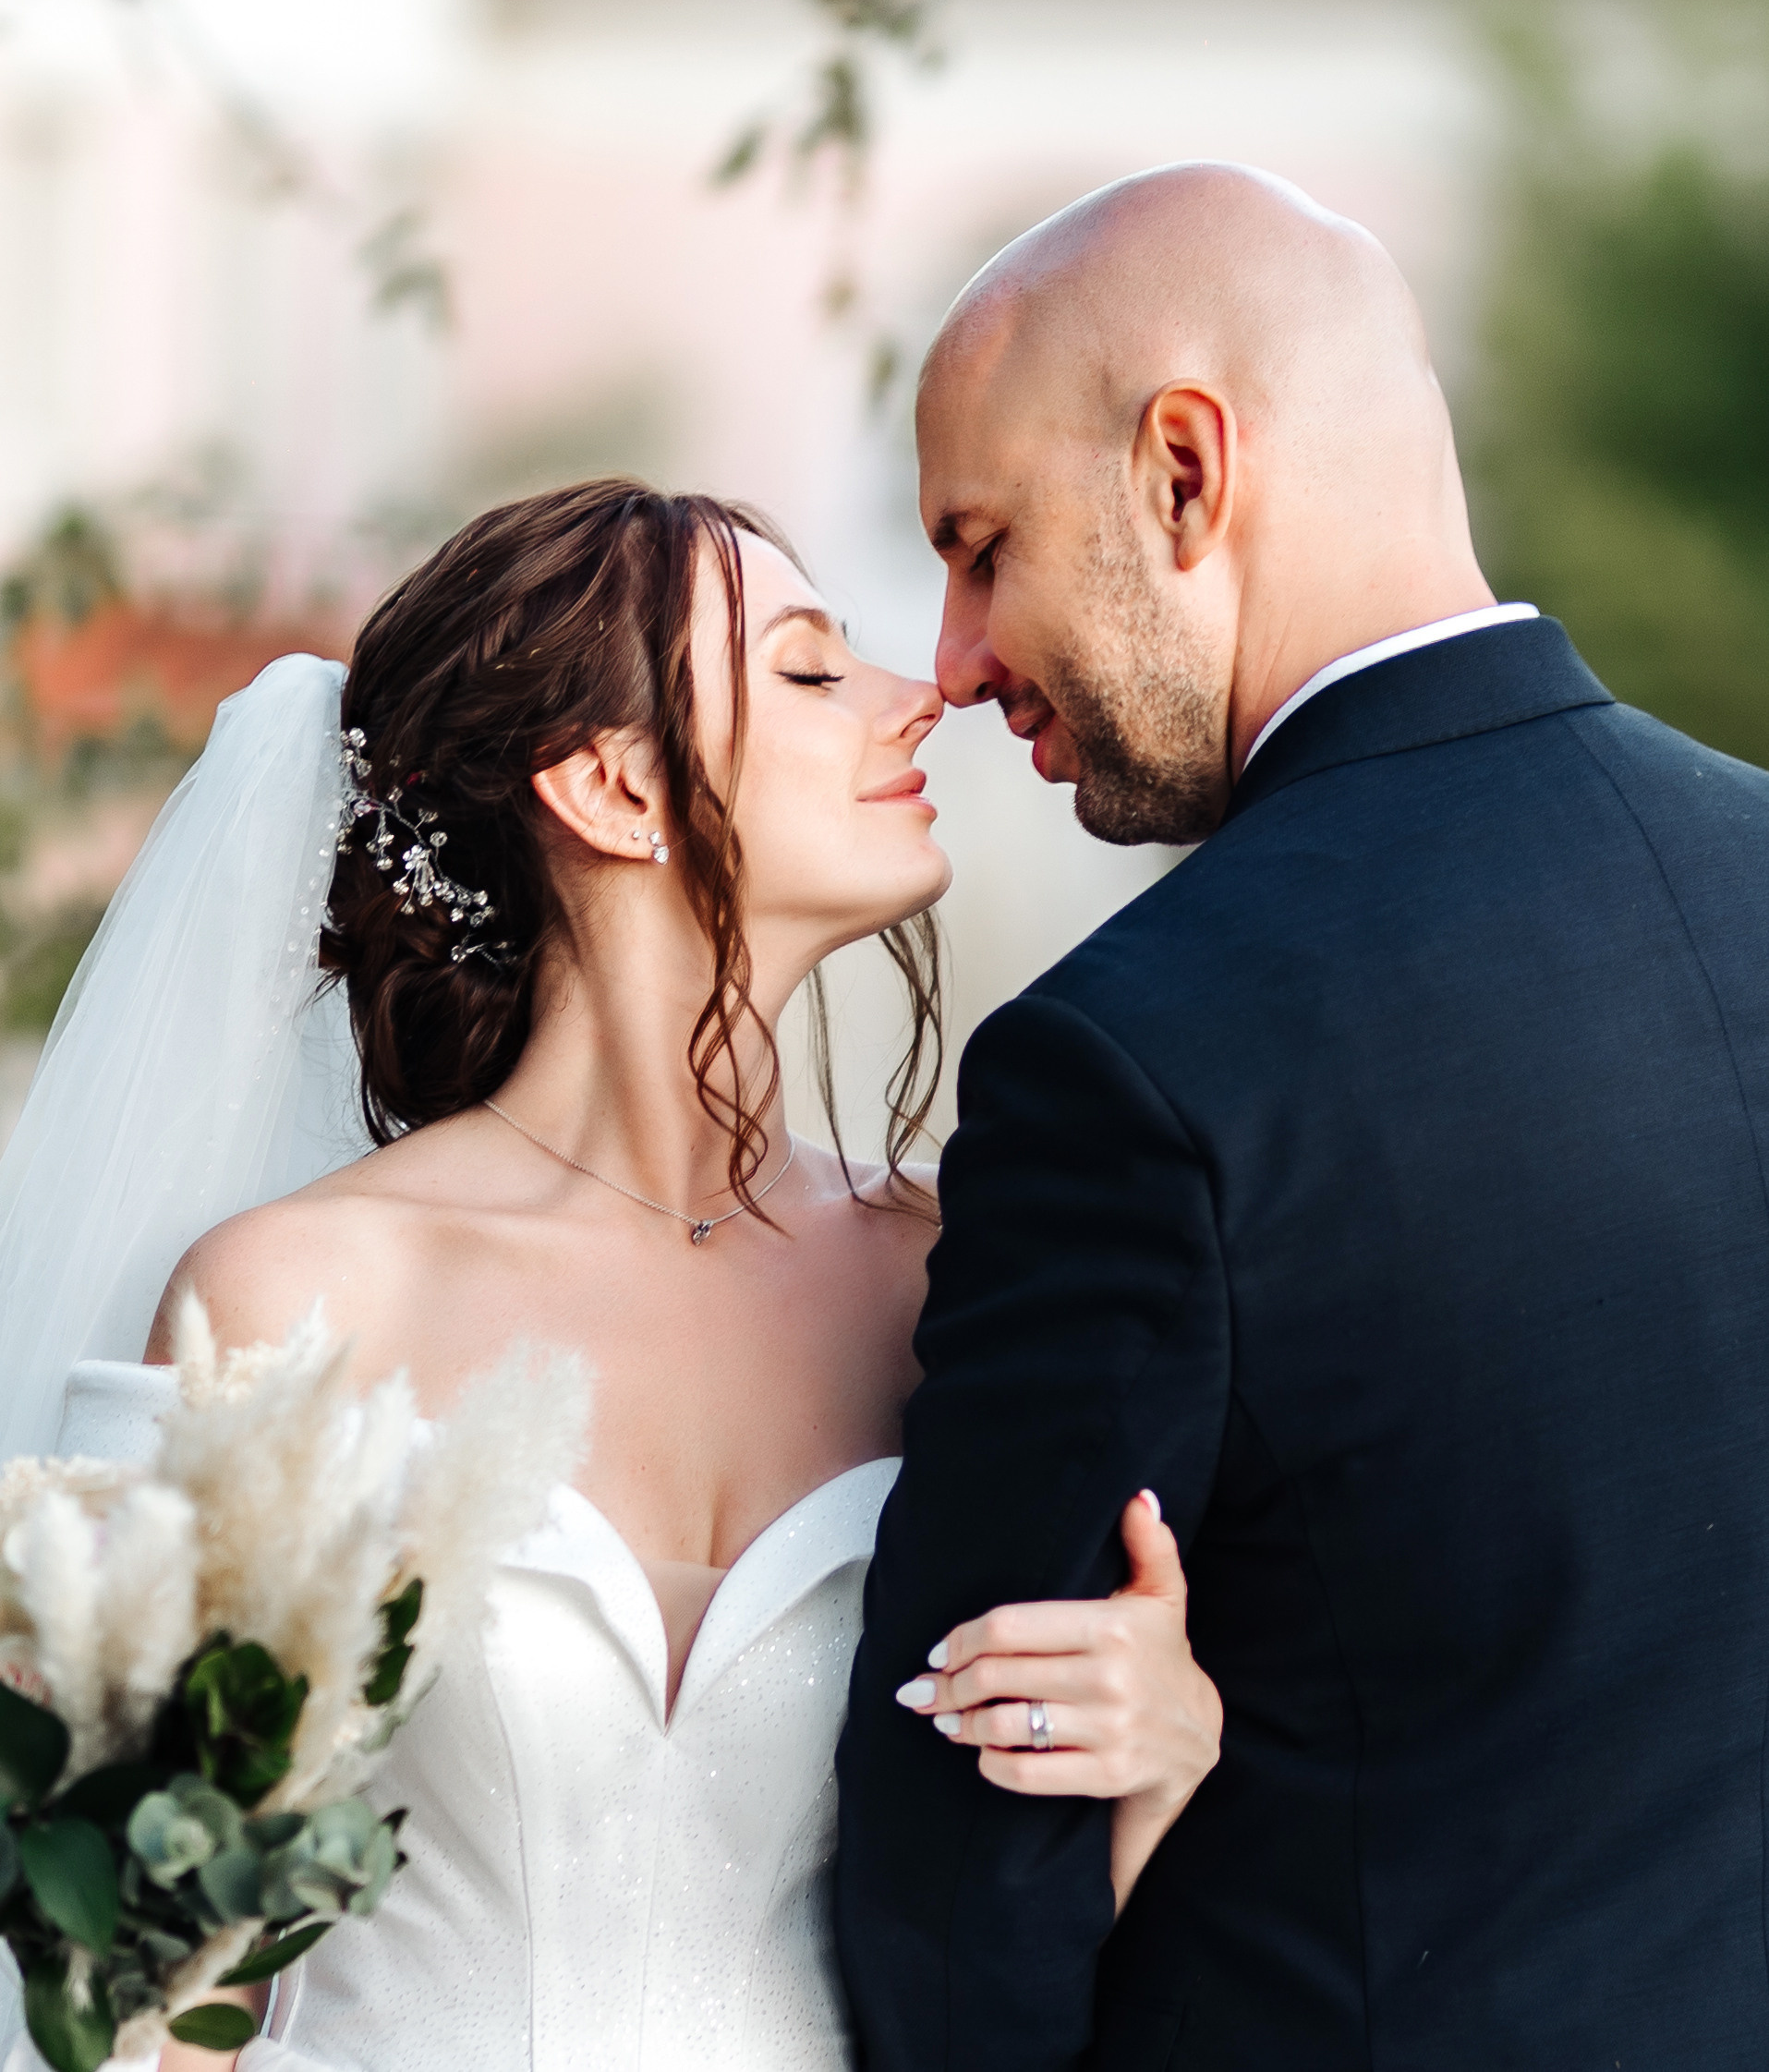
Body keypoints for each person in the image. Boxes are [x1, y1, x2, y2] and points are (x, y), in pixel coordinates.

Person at [0, 479, 1221, 2072]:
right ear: (609, 784)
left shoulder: (966, 1279)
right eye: (807, 668)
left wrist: (1165, 1754)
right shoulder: (296, 1300)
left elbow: (1001, 1947)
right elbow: (126, 1979)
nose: (920, 694)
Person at [836, 164, 1769, 2069]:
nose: (949, 658)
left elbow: (967, 1886)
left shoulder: (1133, 1058)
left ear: (1184, 470)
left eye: (980, 542)